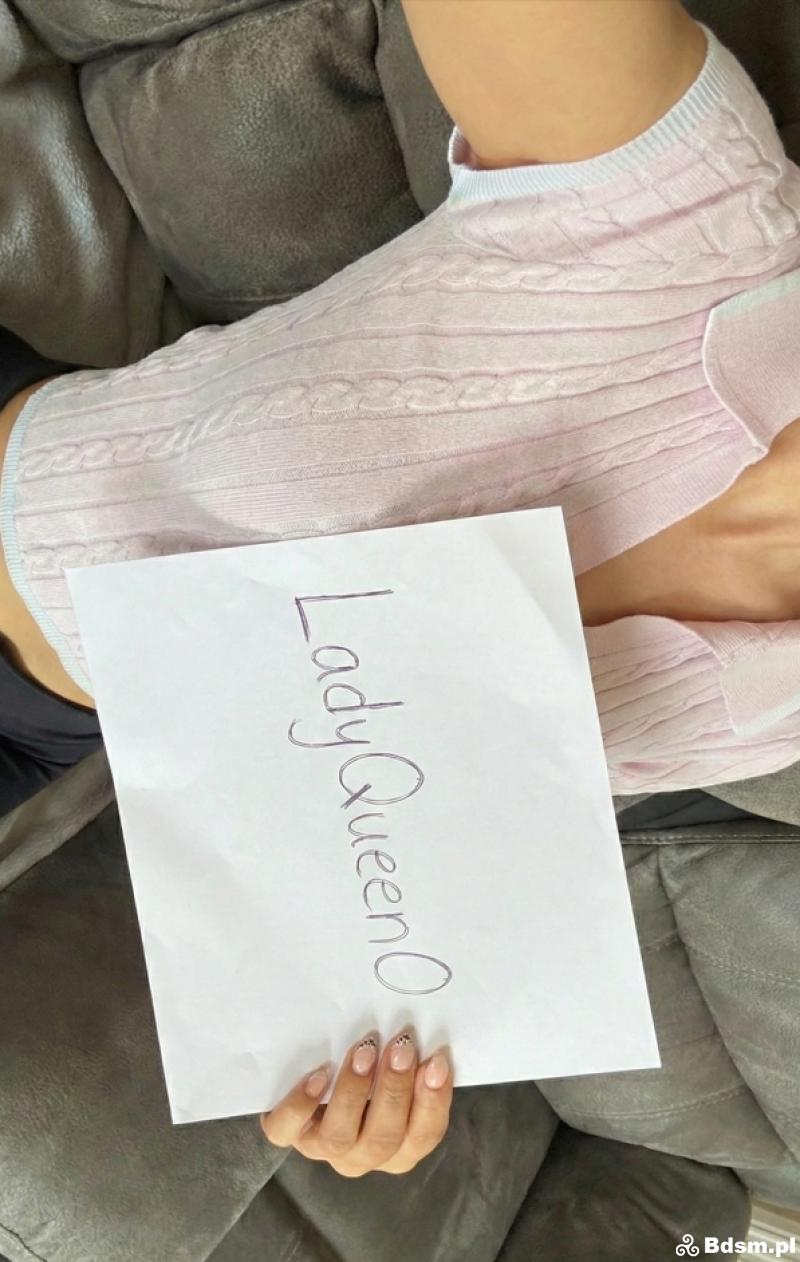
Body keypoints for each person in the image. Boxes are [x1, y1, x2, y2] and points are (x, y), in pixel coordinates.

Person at [1, 0, 799, 1177]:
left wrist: (359, 1065)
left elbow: (370, 865)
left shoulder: (769, 713)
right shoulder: (682, 220)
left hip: (50, 728)